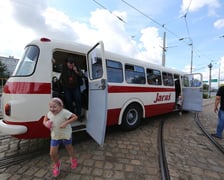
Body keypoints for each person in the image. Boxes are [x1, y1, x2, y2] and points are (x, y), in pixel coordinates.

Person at [43, 97, 78, 177]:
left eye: (54, 107)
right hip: (55, 136)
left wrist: (66, 122)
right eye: (50, 107)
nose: (52, 109)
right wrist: (45, 123)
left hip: (65, 135)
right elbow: (45, 118)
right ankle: (57, 164)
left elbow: (75, 117)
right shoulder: (50, 113)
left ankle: (73, 159)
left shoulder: (64, 112)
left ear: (61, 106)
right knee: (52, 153)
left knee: (69, 148)